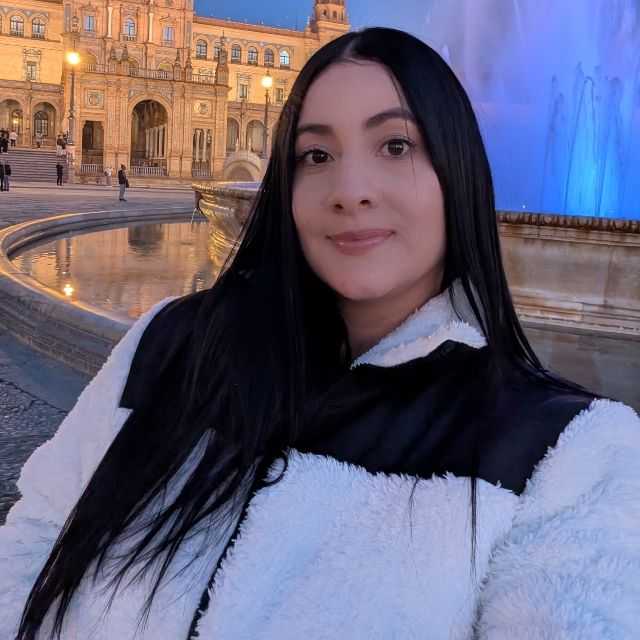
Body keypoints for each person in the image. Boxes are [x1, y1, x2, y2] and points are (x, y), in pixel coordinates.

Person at [2, 27, 639, 640]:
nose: (350, 191)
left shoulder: (568, 454)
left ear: (458, 170)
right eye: (316, 155)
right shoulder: (166, 344)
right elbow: (34, 541)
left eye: (396, 146)